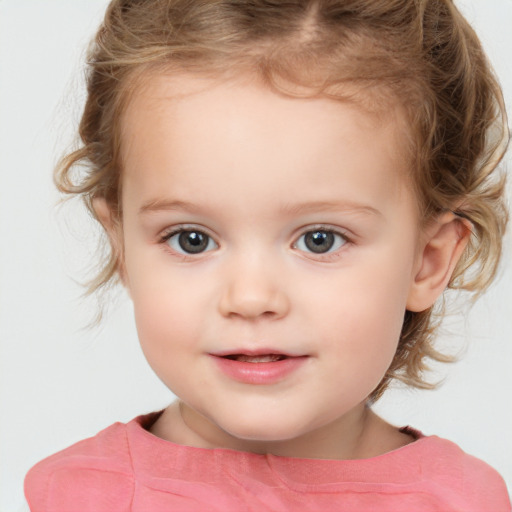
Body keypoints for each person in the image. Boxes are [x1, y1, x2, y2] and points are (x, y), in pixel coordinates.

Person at [24, 0, 511, 510]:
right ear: (120, 246)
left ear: (428, 260)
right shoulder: (78, 496)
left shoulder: (462, 502)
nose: (251, 298)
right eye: (191, 239)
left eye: (319, 239)